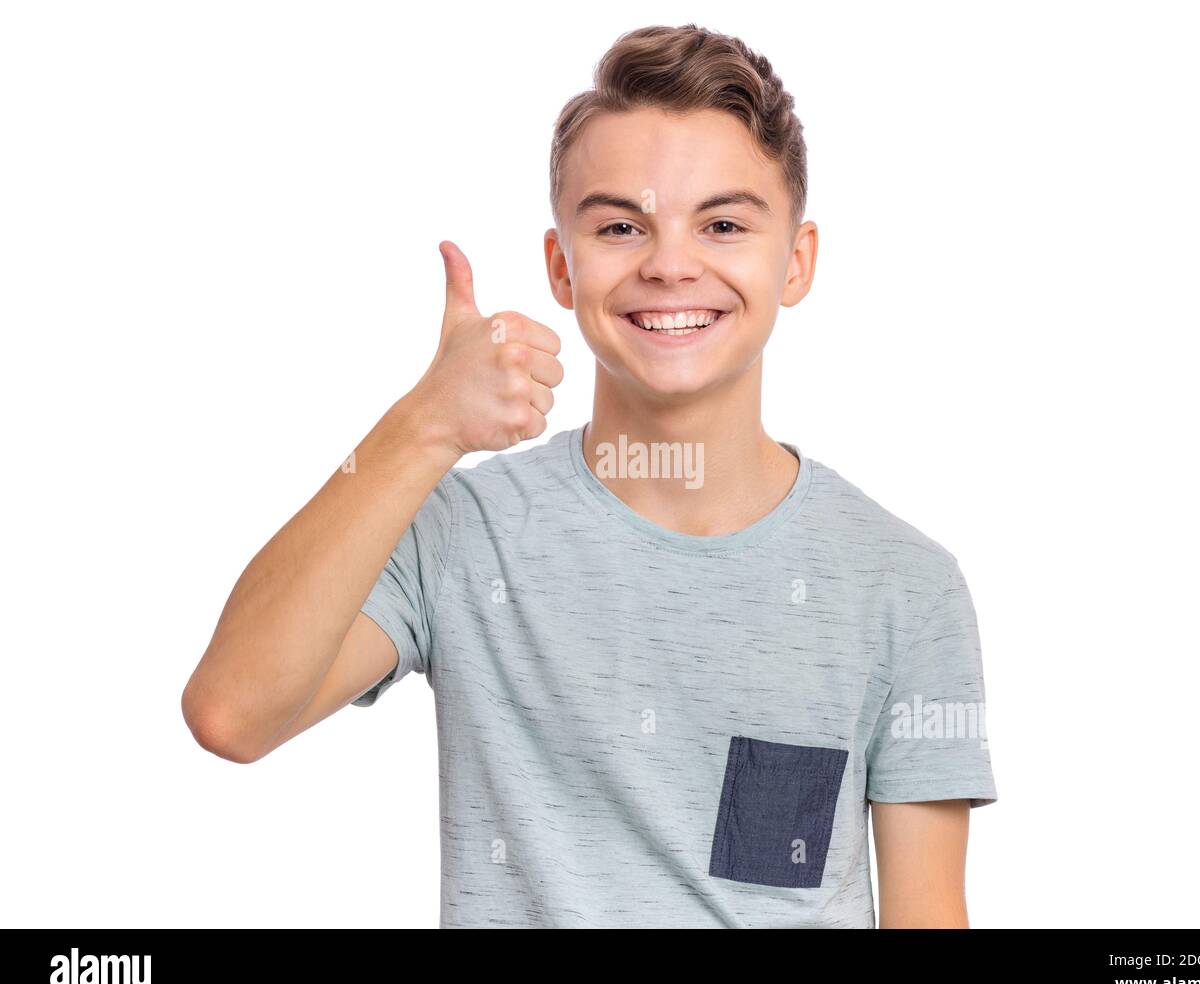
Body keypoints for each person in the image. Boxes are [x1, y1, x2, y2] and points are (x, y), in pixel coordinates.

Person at [182, 23, 998, 929]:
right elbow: (230, 714)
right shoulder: (462, 532)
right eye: (620, 226)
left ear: (795, 260)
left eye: (723, 223)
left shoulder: (905, 588)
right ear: (560, 267)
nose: (669, 264)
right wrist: (422, 426)